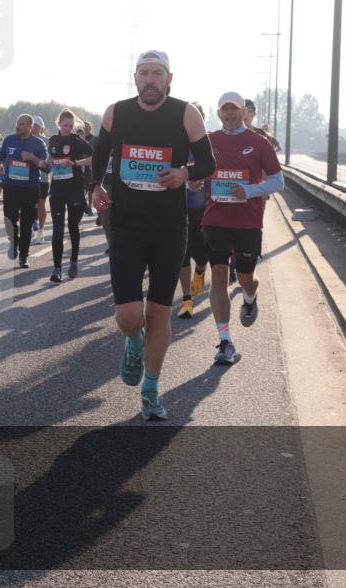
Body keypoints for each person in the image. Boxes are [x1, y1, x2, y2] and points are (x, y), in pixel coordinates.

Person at [91, 51, 215, 421]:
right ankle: (133, 342)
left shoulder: (186, 114)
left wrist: (184, 172)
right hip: (126, 225)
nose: (150, 79)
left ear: (169, 78)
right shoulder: (117, 112)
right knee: (130, 317)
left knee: (159, 315)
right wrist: (95, 187)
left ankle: (151, 388)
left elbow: (208, 163)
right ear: (135, 78)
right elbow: (100, 154)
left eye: (157, 73)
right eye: (144, 73)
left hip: (169, 229)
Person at [204, 92, 284, 364]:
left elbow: (278, 182)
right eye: (225, 111)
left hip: (248, 221)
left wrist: (251, 190)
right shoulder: (209, 141)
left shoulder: (258, 143)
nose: (229, 115)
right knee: (218, 275)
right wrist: (192, 179)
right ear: (219, 114)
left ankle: (250, 295)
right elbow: (195, 169)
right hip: (214, 218)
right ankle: (225, 341)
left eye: (234, 110)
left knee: (245, 276)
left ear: (244, 113)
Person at [47, 109, 93, 282]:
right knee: (57, 230)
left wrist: (75, 163)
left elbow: (93, 158)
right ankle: (56, 269)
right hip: (57, 190)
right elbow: (50, 158)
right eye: (64, 125)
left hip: (75, 189)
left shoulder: (77, 141)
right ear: (59, 124)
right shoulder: (53, 140)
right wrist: (47, 162)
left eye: (70, 125)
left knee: (73, 227)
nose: (67, 128)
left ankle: (73, 261)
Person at [0, 114, 49, 268]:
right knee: (9, 219)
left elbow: (47, 167)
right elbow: (0, 156)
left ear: (30, 126)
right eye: (17, 123)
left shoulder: (38, 144)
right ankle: (13, 242)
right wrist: (0, 165)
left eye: (21, 124)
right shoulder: (9, 140)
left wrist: (33, 158)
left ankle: (23, 256)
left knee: (27, 224)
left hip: (30, 189)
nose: (18, 126)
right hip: (11, 187)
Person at [177, 102, 210, 319]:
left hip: (203, 209)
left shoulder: (207, 145)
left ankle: (200, 271)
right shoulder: (176, 144)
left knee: (202, 255)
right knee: (183, 255)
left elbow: (216, 170)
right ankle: (186, 300)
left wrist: (201, 178)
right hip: (179, 209)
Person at [31, 115, 50, 243]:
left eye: (36, 125)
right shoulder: (25, 140)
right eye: (32, 125)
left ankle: (41, 233)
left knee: (41, 205)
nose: (34, 128)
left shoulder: (47, 141)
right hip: (29, 178)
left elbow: (50, 160)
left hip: (43, 178)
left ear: (40, 127)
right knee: (30, 205)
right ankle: (32, 230)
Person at [81, 121, 97, 215]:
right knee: (82, 187)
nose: (85, 128)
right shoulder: (78, 137)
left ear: (90, 128)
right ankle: (84, 205)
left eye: (87, 126)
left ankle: (90, 207)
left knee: (90, 188)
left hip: (90, 167)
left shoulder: (93, 138)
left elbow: (94, 152)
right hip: (80, 166)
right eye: (84, 126)